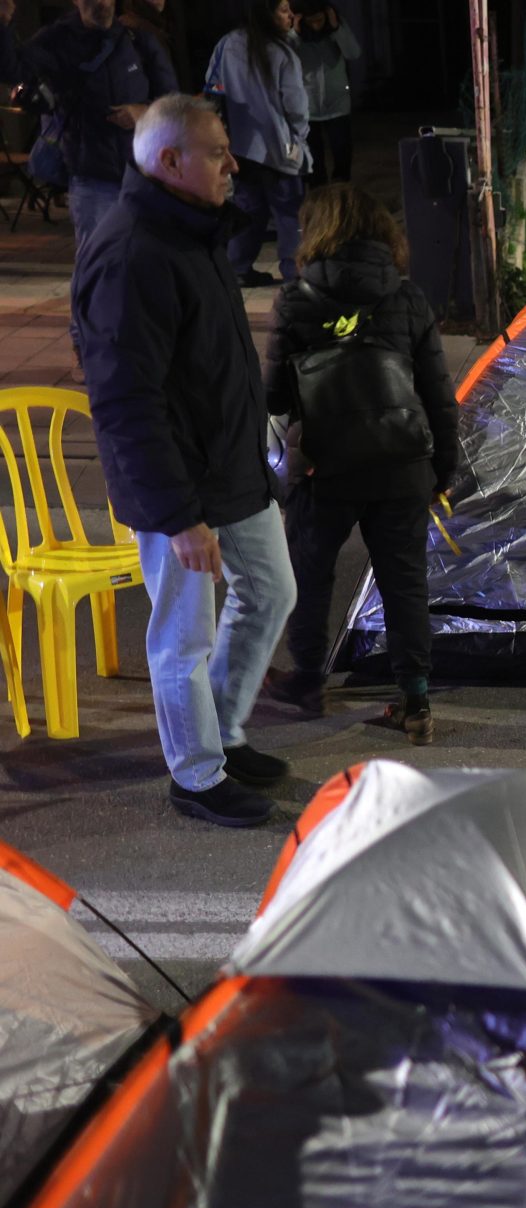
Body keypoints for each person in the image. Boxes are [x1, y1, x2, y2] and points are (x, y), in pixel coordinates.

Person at [71, 93, 297, 826]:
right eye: (217, 153)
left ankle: (223, 737)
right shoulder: (133, 252)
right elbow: (127, 404)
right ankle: (196, 776)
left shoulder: (190, 232)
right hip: (182, 490)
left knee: (271, 593)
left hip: (233, 470)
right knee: (183, 636)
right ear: (171, 161)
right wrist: (178, 517)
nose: (234, 165)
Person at [261, 185, 458, 745]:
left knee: (311, 575)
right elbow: (439, 396)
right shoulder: (408, 299)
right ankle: (415, 700)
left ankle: (306, 684)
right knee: (404, 583)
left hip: (324, 469)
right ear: (381, 235)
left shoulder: (296, 300)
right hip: (402, 467)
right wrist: (443, 469)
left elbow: (273, 397)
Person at [0, 0, 176, 367]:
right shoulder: (58, 40)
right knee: (96, 267)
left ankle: (137, 344)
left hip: (142, 177)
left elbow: (172, 100)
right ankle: (88, 348)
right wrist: (3, 24)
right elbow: (11, 68)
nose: (102, 4)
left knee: (143, 263)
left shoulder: (136, 40)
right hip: (92, 177)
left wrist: (142, 112)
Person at [207, 0, 307, 286]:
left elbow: (213, 88)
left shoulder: (227, 44)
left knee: (248, 208)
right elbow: (296, 106)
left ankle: (238, 268)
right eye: (284, 9)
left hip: (240, 146)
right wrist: (299, 138)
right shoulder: (282, 53)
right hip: (280, 148)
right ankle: (293, 271)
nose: (291, 15)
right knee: (289, 212)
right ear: (268, 13)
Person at [292, 0, 356, 186]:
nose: (316, 25)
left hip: (337, 104)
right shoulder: (295, 34)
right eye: (311, 21)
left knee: (342, 151)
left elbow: (353, 53)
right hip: (308, 107)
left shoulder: (335, 28)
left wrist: (336, 28)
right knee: (313, 159)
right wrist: (295, 33)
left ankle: (341, 190)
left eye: (319, 20)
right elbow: (281, 57)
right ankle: (319, 195)